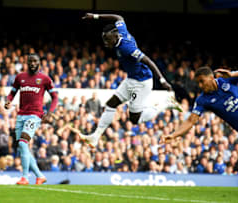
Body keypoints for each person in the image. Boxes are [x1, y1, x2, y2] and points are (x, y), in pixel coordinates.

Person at [76, 13, 181, 148]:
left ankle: (164, 104)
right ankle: (95, 137)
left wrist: (162, 80)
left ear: (115, 35)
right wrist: (95, 17)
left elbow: (148, 61)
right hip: (131, 78)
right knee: (111, 104)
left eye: (108, 39)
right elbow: (118, 17)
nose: (106, 43)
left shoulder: (127, 47)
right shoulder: (121, 30)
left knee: (134, 119)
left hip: (141, 83)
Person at [163, 67, 238, 175]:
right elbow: (190, 121)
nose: (200, 85)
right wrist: (174, 135)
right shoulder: (202, 100)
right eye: (198, 83)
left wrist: (234, 74)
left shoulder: (226, 80)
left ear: (211, 77)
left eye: (202, 81)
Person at [5, 53, 58, 185]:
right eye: (30, 61)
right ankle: (40, 176)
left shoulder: (44, 79)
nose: (32, 63)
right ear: (27, 63)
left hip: (35, 115)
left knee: (23, 143)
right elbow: (12, 92)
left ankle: (25, 177)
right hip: (21, 115)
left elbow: (55, 97)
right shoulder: (20, 77)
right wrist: (8, 101)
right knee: (23, 148)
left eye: (35, 61)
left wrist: (50, 112)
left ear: (39, 63)